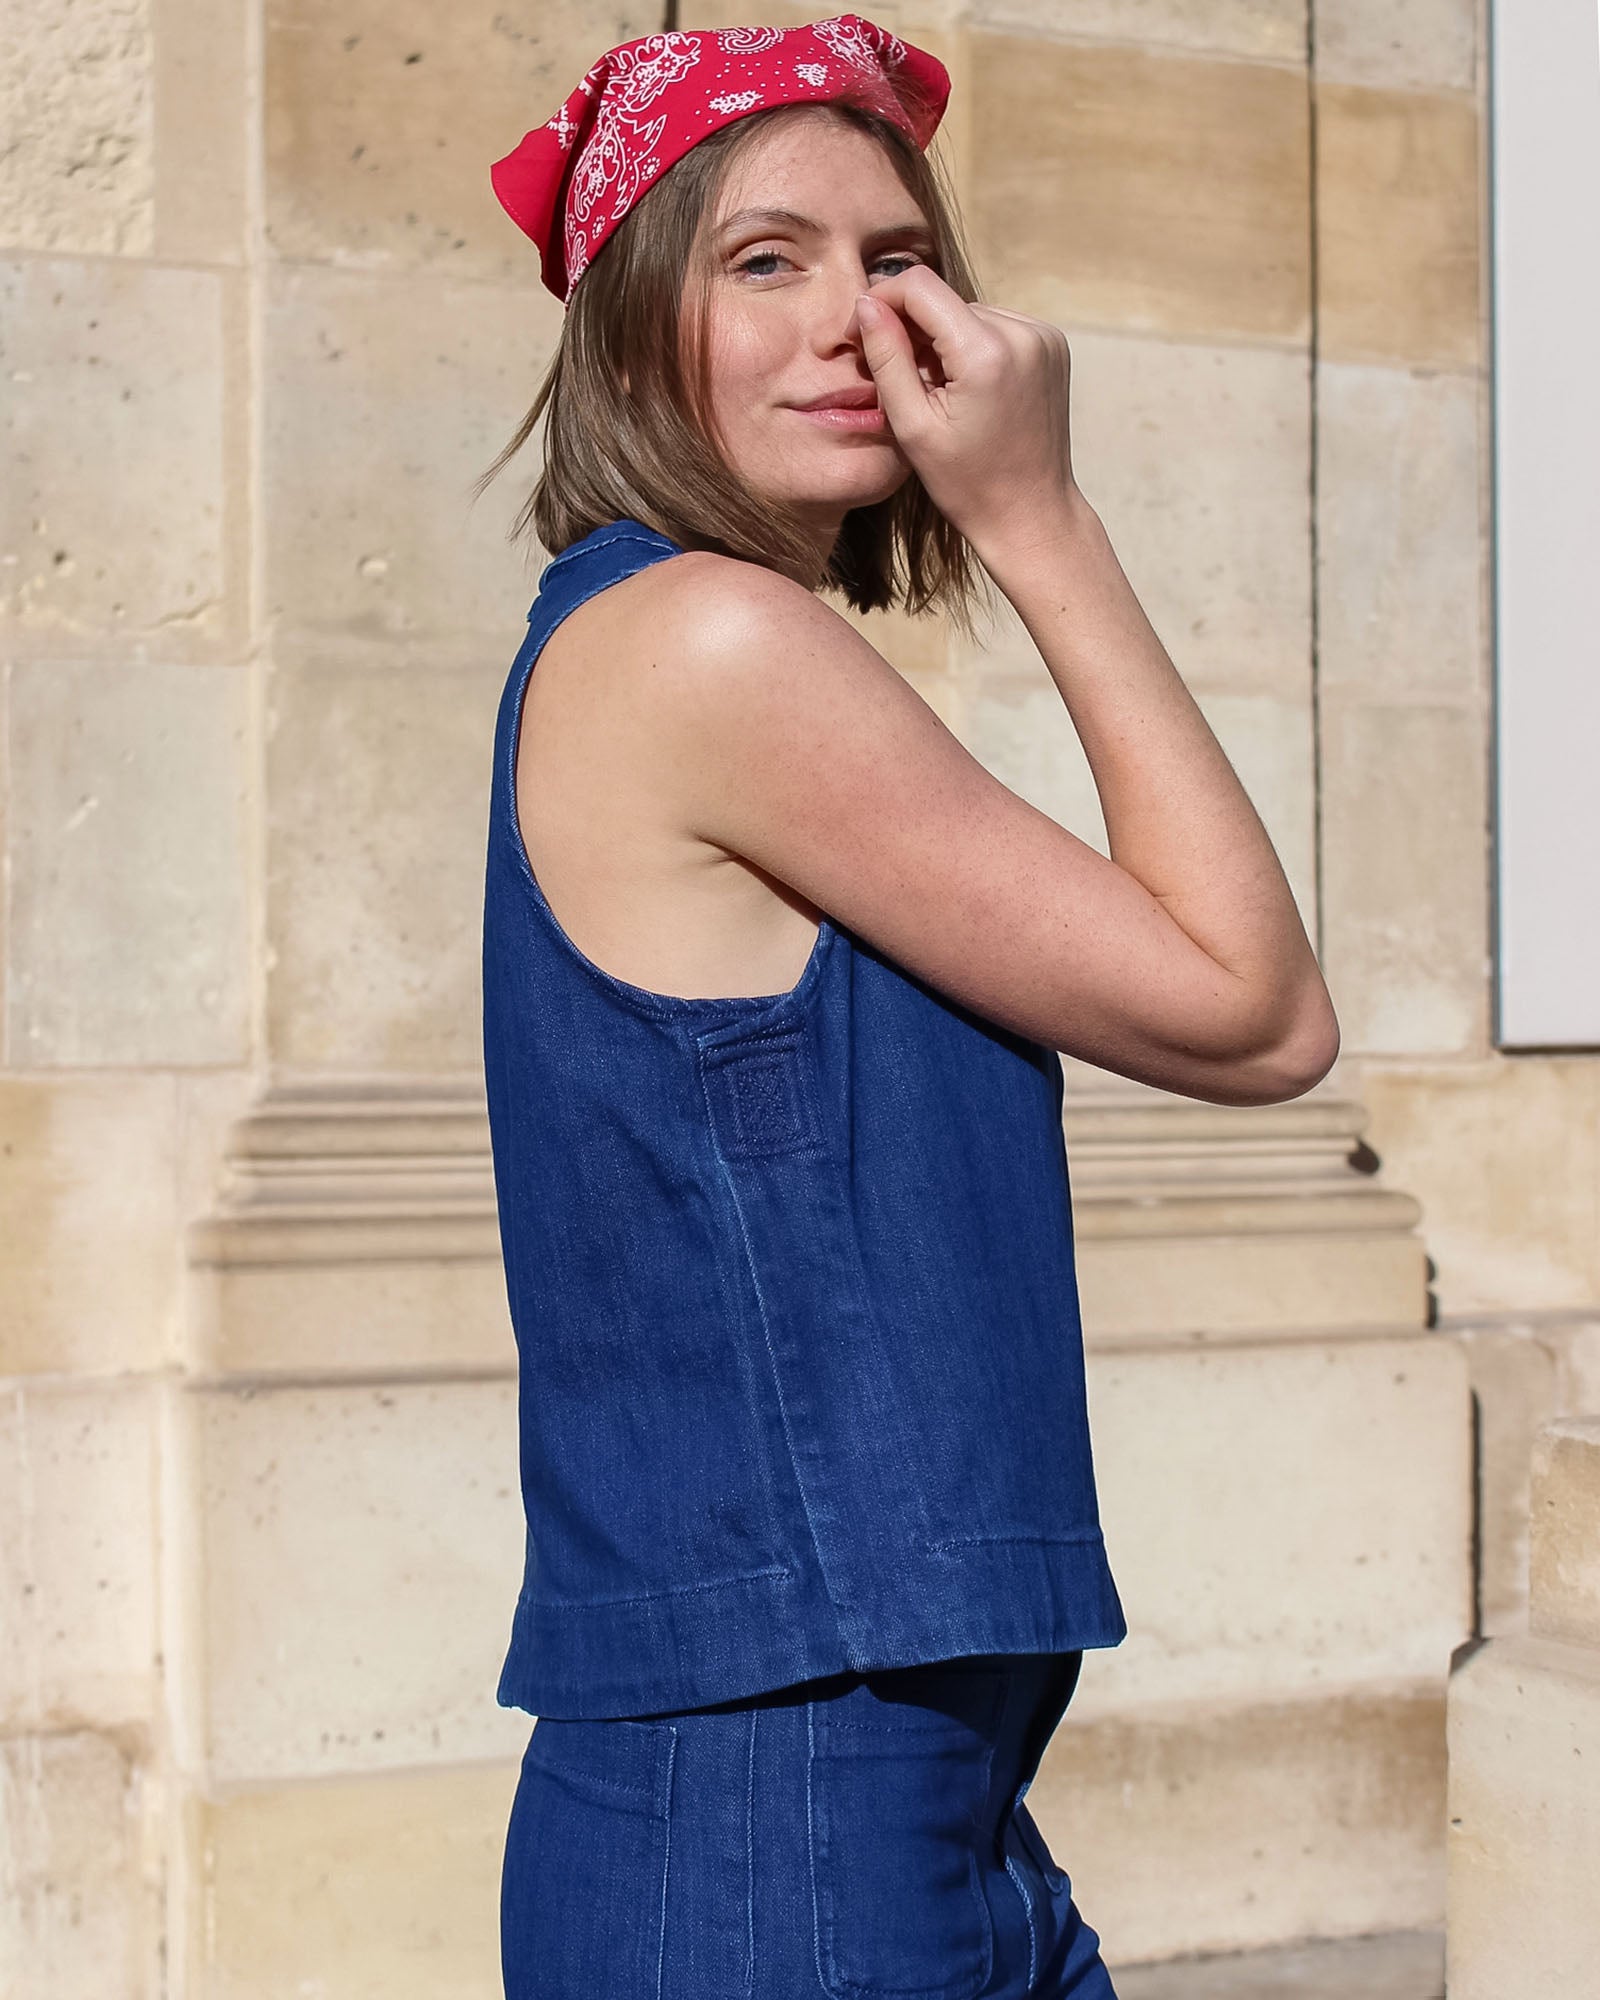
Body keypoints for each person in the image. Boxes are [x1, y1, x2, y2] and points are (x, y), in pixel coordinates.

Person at [476, 17, 1340, 2000]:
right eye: (761, 260)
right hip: (778, 1817)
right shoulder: (708, 640)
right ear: (630, 337)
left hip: (885, 1796)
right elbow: (1253, 1012)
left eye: (895, 261)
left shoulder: (664, 637)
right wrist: (1039, 518)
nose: (848, 322)